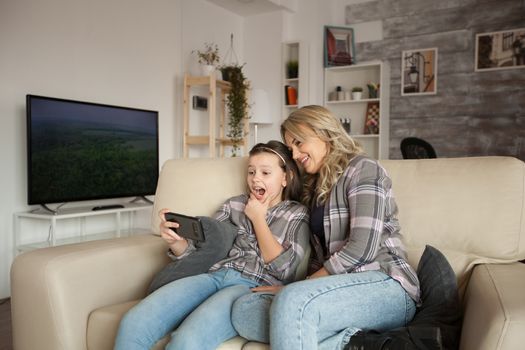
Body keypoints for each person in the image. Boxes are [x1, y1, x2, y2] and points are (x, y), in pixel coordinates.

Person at [231, 105, 421, 350]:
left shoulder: (363, 169)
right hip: (336, 290)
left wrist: (298, 288)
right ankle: (364, 342)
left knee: (290, 302)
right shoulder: (314, 188)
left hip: (386, 284)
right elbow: (318, 259)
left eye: (299, 143)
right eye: (291, 148)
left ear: (324, 133)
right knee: (244, 311)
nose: (296, 153)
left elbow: (362, 248)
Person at [114, 141, 310, 350]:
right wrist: (177, 242)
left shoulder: (296, 214)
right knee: (133, 323)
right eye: (251, 172)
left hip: (248, 288)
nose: (255, 179)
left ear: (285, 178)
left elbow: (284, 269)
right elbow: (204, 251)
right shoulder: (233, 204)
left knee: (186, 341)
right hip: (212, 275)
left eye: (265, 173)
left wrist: (258, 219)